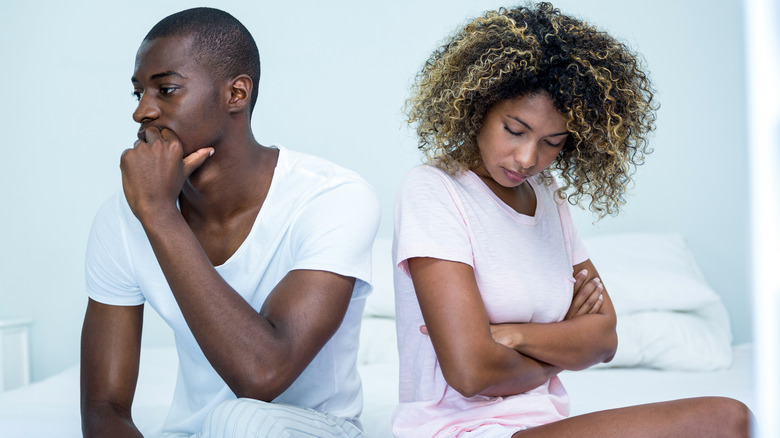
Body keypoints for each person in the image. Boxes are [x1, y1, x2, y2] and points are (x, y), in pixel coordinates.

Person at [391, 3, 752, 437]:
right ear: (478, 107)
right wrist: (563, 346)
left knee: (730, 418)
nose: (528, 159)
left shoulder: (547, 197)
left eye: (552, 142)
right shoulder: (434, 189)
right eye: (515, 130)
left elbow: (604, 340)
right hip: (462, 429)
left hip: (542, 424)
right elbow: (471, 373)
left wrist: (512, 336)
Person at [80, 7, 379, 438]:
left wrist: (161, 215)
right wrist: (151, 210)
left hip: (315, 427)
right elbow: (103, 408)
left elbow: (263, 374)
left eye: (166, 89)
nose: (142, 111)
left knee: (238, 419)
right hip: (195, 432)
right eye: (138, 93)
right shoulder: (122, 217)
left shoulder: (333, 198)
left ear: (236, 94)